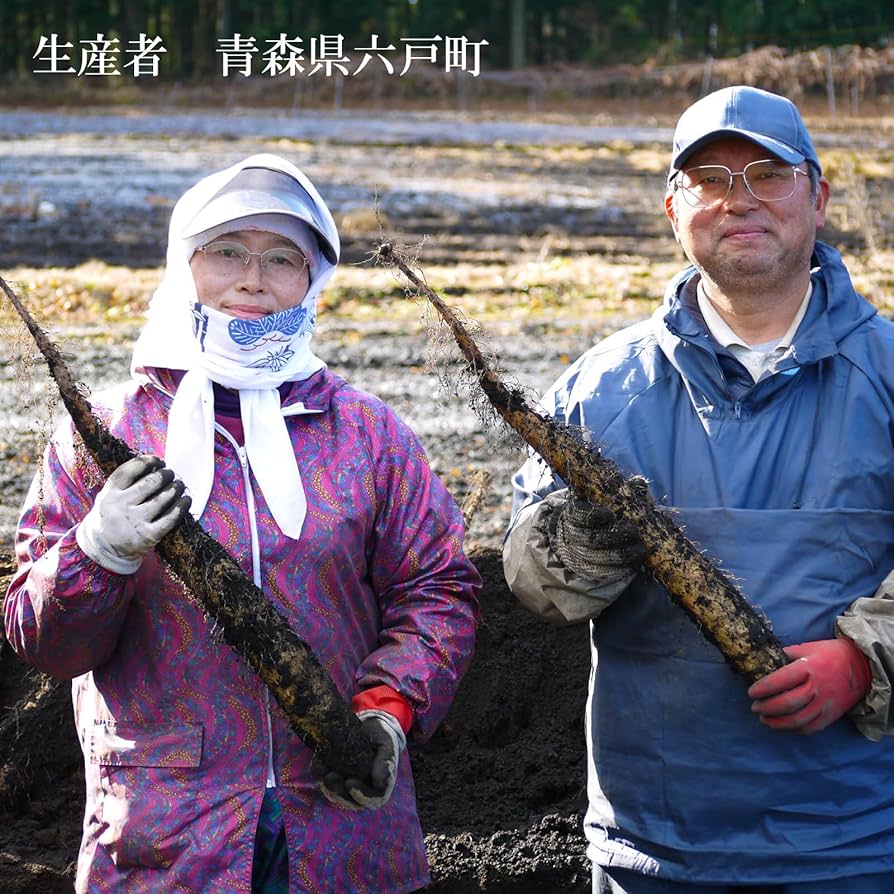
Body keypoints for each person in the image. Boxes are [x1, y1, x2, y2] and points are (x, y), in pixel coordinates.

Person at [4, 153, 481, 894]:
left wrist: (388, 711)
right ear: (181, 263)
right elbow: (47, 642)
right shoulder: (104, 432)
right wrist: (97, 551)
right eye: (226, 251)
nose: (253, 280)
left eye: (282, 259)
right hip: (164, 837)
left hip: (343, 831)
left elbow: (437, 588)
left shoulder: (365, 433)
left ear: (312, 282)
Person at [503, 85, 894, 893]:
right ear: (674, 209)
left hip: (858, 846)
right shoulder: (598, 392)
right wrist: (567, 550)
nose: (737, 199)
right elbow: (532, 582)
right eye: (709, 178)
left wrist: (867, 658)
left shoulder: (886, 371)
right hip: (653, 850)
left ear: (817, 197)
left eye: (766, 173)